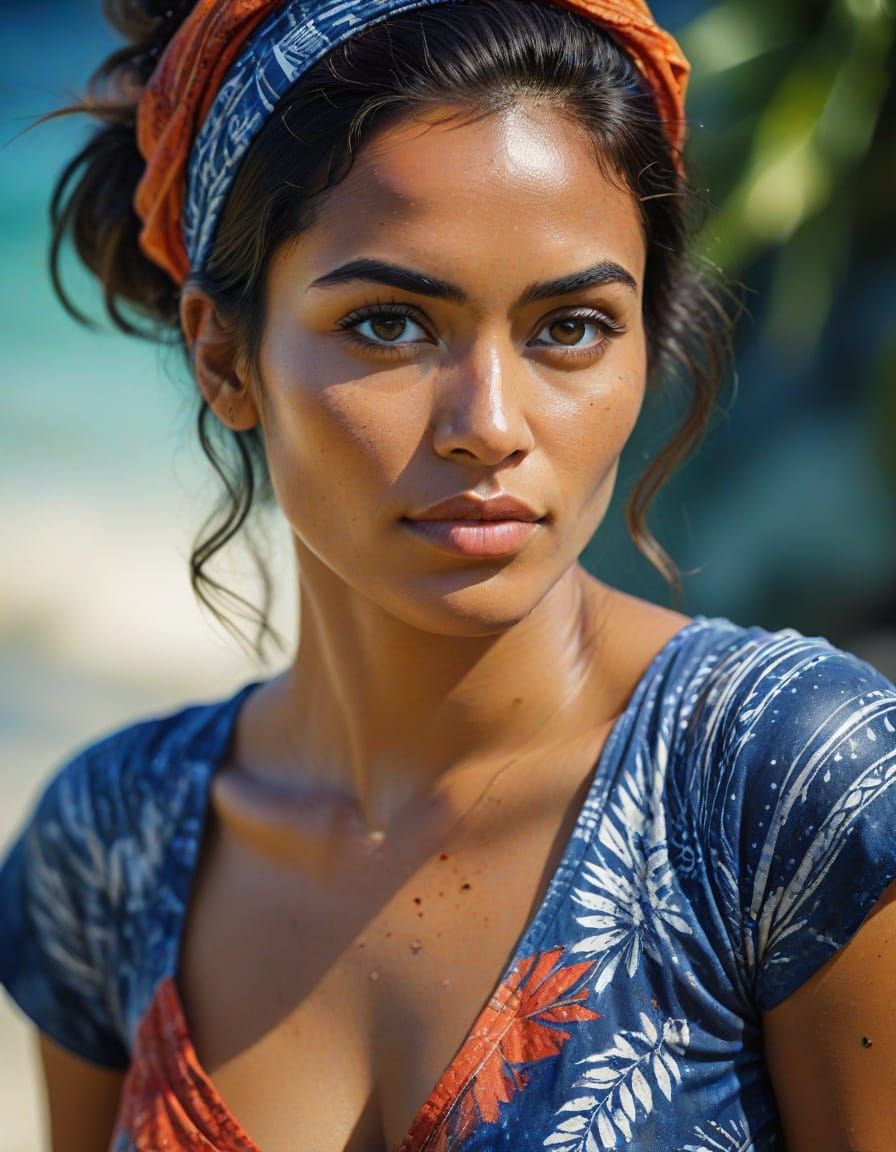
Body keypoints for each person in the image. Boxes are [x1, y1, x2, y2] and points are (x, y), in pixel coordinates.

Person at [1, 0, 895, 1149]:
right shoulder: (110, 846)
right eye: (388, 325)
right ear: (224, 357)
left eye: (569, 326)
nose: (489, 424)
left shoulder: (790, 791)